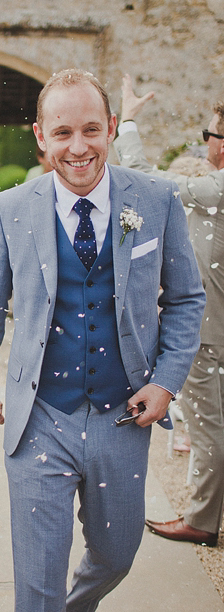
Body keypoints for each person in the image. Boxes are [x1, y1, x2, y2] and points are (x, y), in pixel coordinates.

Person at [0, 69, 205, 612]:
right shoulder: (13, 209)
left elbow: (185, 299)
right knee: (35, 574)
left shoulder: (155, 199)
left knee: (119, 553)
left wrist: (167, 380)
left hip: (125, 413)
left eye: (90, 129)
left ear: (110, 129)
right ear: (41, 137)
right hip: (42, 415)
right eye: (62, 132)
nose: (78, 146)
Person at [115, 74, 224, 548]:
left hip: (211, 328)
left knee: (206, 425)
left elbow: (148, 180)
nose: (206, 143)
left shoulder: (215, 189)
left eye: (210, 134)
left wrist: (130, 123)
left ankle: (202, 520)